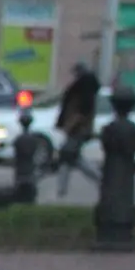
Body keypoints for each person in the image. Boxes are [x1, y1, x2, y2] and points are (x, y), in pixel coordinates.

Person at [94, 84, 135, 248]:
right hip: (124, 175)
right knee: (121, 195)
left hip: (111, 173)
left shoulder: (109, 129)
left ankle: (110, 225)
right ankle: (120, 225)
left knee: (112, 195)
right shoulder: (133, 130)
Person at [55, 60, 101, 196]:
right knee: (69, 157)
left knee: (69, 155)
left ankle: (99, 178)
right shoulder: (86, 89)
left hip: (78, 129)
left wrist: (69, 125)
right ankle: (61, 189)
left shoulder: (83, 90)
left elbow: (80, 113)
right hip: (78, 128)